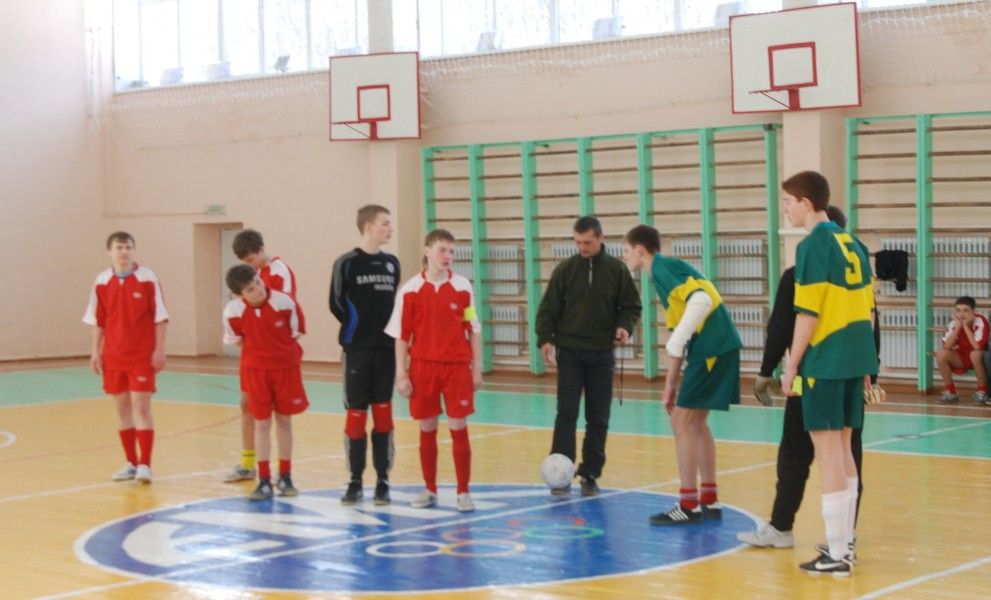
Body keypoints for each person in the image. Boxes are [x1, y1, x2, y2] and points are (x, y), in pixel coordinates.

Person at [739, 206, 869, 550]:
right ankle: (846, 536)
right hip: (851, 372)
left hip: (814, 375)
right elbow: (870, 323)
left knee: (797, 454)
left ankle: (785, 528)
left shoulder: (800, 273)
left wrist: (768, 371)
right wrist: (870, 371)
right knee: (849, 454)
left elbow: (782, 327)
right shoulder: (855, 271)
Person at [779, 171, 878, 577]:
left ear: (806, 202)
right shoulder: (853, 243)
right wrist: (867, 363)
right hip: (855, 358)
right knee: (845, 449)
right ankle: (844, 543)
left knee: (828, 455)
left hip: (827, 360)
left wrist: (792, 365)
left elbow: (808, 313)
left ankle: (837, 555)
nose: (785, 210)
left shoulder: (813, 246)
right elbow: (868, 311)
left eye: (788, 202)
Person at [623, 224, 742, 525]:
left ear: (640, 249)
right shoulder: (662, 275)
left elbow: (702, 300)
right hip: (715, 347)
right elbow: (678, 335)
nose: (625, 256)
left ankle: (689, 504)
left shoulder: (662, 268)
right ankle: (709, 498)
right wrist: (669, 385)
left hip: (713, 347)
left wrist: (677, 343)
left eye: (627, 250)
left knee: (682, 421)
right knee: (695, 421)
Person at [536, 216, 641, 497]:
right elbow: (548, 309)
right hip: (570, 352)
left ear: (601, 239)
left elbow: (631, 306)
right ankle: (561, 473)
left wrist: (624, 326)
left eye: (588, 242)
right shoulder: (565, 270)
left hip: (602, 354)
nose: (582, 247)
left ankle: (590, 473)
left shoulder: (617, 270)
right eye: (578, 242)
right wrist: (545, 339)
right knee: (566, 414)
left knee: (598, 417)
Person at [385, 229, 482, 512]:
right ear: (428, 251)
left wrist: (476, 368)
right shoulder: (410, 290)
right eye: (442, 250)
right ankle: (429, 488)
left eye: (452, 251)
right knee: (427, 428)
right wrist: (401, 374)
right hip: (423, 368)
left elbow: (473, 329)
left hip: (456, 368)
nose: (448, 256)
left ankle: (463, 491)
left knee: (458, 427)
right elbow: (401, 336)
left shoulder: (463, 287)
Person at [83, 231, 169, 483]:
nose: (124, 252)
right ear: (110, 252)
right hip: (113, 356)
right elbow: (99, 320)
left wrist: (159, 350)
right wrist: (95, 350)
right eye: (119, 248)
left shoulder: (147, 278)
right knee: (122, 410)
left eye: (128, 247)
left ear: (134, 250)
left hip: (141, 356)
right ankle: (131, 463)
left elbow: (161, 317)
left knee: (141, 407)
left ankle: (145, 465)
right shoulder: (101, 281)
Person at [329, 205, 400, 505]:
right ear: (368, 227)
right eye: (385, 223)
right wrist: (357, 328)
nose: (390, 229)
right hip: (357, 351)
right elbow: (336, 303)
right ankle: (354, 481)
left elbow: (394, 304)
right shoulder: (346, 263)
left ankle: (383, 480)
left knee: (383, 416)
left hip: (386, 351)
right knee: (356, 416)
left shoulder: (392, 263)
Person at [223, 264, 308, 501]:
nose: (259, 289)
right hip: (256, 372)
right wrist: (259, 355)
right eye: (251, 289)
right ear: (239, 295)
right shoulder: (233, 311)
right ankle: (264, 480)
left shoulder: (285, 302)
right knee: (261, 423)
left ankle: (286, 476)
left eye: (258, 283)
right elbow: (237, 340)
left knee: (284, 420)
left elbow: (296, 332)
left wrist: (276, 352)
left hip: (285, 369)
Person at [936, 296, 989, 405]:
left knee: (975, 354)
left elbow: (977, 347)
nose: (962, 314)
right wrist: (958, 327)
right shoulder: (954, 323)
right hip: (963, 357)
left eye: (965, 310)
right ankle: (951, 392)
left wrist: (965, 326)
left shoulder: (980, 320)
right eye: (958, 310)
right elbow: (946, 346)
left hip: (981, 359)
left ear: (973, 311)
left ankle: (982, 392)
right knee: (941, 354)